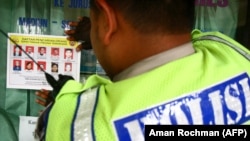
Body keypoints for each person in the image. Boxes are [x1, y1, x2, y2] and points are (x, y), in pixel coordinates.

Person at [35, 0, 250, 140]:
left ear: (108, 23)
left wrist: (63, 96)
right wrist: (103, 34)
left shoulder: (82, 124)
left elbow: (65, 120)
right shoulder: (230, 53)